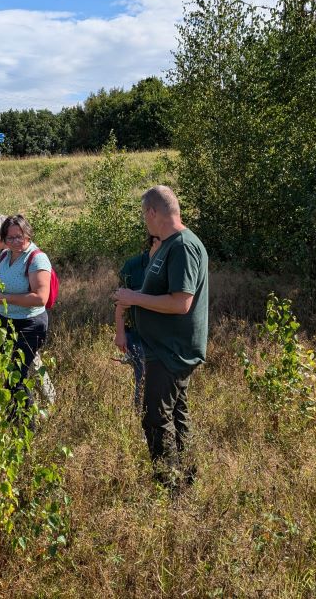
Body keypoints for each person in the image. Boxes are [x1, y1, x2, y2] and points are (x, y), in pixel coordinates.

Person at [113, 186, 208, 487]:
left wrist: (135, 298)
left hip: (171, 350)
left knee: (155, 417)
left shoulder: (182, 246)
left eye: (145, 215)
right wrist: (133, 297)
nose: (145, 221)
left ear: (153, 212)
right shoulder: (168, 245)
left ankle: (169, 487)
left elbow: (181, 302)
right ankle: (187, 478)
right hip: (161, 348)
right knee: (176, 414)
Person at [0, 214, 52, 411]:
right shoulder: (5, 256)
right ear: (4, 240)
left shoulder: (36, 258)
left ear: (28, 234)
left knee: (16, 376)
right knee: (9, 373)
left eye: (20, 236)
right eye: (10, 238)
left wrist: (5, 298)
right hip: (4, 322)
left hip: (28, 324)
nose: (16, 241)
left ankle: (25, 427)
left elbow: (40, 297)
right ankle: (13, 421)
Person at [114, 235, 161, 410]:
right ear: (154, 241)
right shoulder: (132, 266)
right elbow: (119, 302)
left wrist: (137, 297)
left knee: (161, 381)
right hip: (136, 332)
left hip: (163, 334)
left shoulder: (171, 265)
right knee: (142, 377)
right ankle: (141, 418)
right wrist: (120, 333)